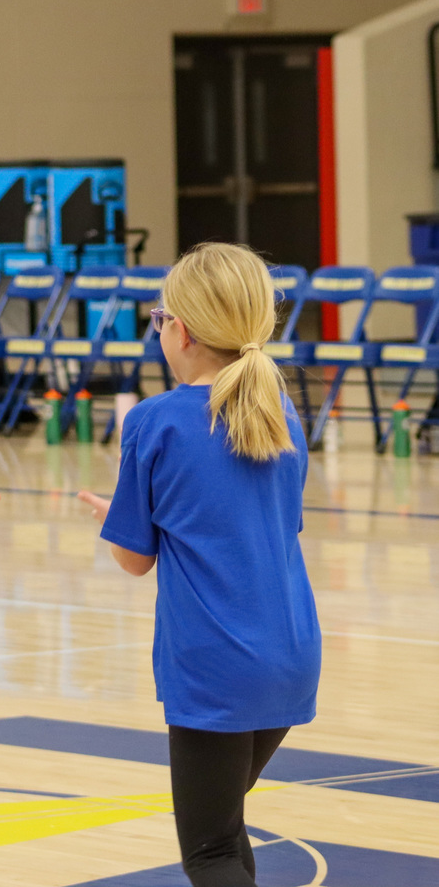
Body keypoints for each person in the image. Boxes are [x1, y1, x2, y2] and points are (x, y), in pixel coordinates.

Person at [78, 242, 321, 887]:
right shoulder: (280, 412)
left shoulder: (154, 421)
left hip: (217, 662)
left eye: (158, 319)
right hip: (290, 654)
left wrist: (122, 516)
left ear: (178, 330)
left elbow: (134, 558)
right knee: (225, 829)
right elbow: (262, 523)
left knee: (208, 852)